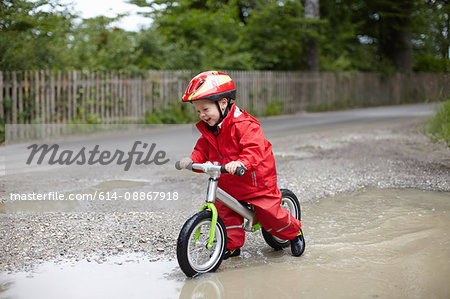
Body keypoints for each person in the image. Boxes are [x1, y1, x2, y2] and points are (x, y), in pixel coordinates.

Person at [179, 71, 304, 259]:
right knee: (224, 213)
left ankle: (294, 232)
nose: (202, 115)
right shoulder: (211, 130)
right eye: (198, 111)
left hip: (255, 181)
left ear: (222, 103)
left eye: (205, 109)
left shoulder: (245, 125)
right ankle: (231, 246)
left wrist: (241, 162)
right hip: (228, 182)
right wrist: (192, 160)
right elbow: (203, 148)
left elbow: (254, 148)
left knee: (270, 214)